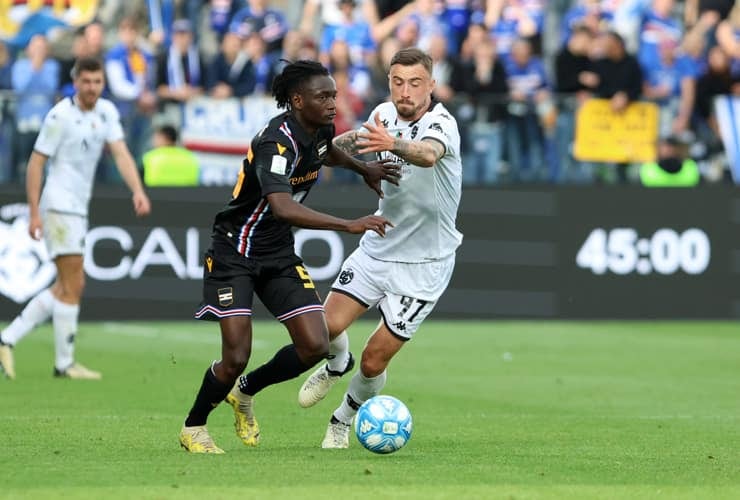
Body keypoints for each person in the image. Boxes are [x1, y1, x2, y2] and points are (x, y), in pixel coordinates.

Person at [178, 59, 401, 454]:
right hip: (236, 250)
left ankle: (245, 393)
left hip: (276, 251)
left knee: (315, 344)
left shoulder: (317, 129)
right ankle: (194, 426)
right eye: (323, 96)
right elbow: (281, 206)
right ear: (297, 101)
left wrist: (361, 168)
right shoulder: (275, 142)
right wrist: (348, 225)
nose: (333, 103)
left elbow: (326, 152)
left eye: (334, 94)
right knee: (235, 357)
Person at [293, 47, 463, 448]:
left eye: (415, 83)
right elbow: (349, 145)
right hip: (380, 244)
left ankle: (342, 420)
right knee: (323, 328)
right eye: (398, 82)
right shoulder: (383, 115)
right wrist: (309, 143)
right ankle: (336, 364)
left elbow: (426, 155)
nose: (405, 92)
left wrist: (394, 142)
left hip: (426, 262)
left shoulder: (443, 124)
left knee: (374, 361)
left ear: (432, 86)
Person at [0, 57, 151, 380]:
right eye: (86, 82)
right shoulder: (60, 117)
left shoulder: (107, 112)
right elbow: (36, 164)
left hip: (77, 207)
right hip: (58, 205)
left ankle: (7, 339)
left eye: (97, 82)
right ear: (75, 82)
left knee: (63, 287)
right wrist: (34, 211)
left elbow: (121, 153)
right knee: (74, 284)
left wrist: (137, 190)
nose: (92, 88)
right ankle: (64, 363)